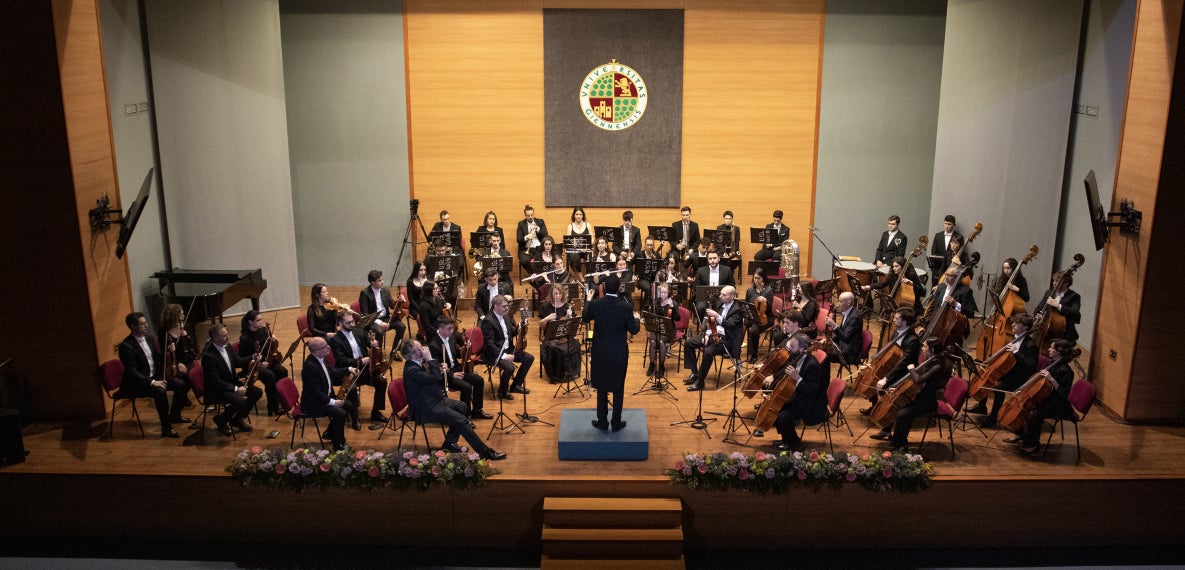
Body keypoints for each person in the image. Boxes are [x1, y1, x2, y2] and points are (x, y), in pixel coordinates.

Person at [401, 340, 506, 460]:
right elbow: (435, 379)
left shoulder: (417, 363)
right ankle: (485, 452)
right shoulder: (412, 370)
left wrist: (438, 368)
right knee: (462, 421)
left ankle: (449, 443)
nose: (424, 349)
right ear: (412, 354)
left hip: (434, 400)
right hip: (426, 407)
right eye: (420, 348)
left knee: (462, 406)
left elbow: (431, 379)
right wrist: (430, 359)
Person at [869, 338, 953, 449]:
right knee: (901, 412)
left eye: (925, 347)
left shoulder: (937, 365)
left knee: (902, 414)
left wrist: (912, 369)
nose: (922, 349)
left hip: (927, 402)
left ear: (931, 350)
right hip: (919, 397)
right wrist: (900, 390)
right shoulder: (931, 361)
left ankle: (901, 444)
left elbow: (919, 380)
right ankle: (897, 441)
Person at [583, 275, 641, 431]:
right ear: (619, 288)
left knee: (601, 387)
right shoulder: (626, 307)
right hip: (618, 352)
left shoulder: (595, 304)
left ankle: (602, 421)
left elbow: (584, 318)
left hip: (600, 351)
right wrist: (637, 319)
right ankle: (616, 422)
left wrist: (588, 300)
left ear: (604, 287)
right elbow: (634, 330)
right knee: (618, 387)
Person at [117, 312, 179, 438]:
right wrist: (152, 382)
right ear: (133, 327)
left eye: (146, 322)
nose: (146, 325)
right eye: (142, 323)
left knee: (181, 384)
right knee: (160, 391)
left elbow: (155, 358)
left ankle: (174, 415)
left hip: (153, 377)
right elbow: (132, 371)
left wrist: (167, 351)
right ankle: (166, 429)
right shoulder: (126, 346)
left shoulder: (149, 339)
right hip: (137, 383)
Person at [1012, 339, 1078, 455]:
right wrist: (1023, 390)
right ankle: (1024, 436)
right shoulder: (1051, 363)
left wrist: (1051, 379)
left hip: (1058, 404)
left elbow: (1063, 394)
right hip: (1045, 398)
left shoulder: (1067, 371)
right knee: (1023, 409)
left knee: (1033, 415)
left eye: (1052, 348)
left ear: (1059, 352)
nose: (1049, 349)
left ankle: (1032, 446)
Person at [974, 313, 1040, 427]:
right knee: (989, 377)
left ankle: (993, 419)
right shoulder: (1014, 339)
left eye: (1017, 323)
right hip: (1010, 372)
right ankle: (981, 406)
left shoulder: (1031, 345)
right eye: (1013, 322)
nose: (1013, 324)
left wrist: (1016, 353)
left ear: (1025, 327)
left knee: (998, 386)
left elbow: (1031, 365)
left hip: (1020, 378)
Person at [765, 332, 827, 450]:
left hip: (812, 403)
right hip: (801, 396)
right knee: (777, 407)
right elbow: (785, 369)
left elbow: (812, 390)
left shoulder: (811, 365)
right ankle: (787, 438)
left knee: (783, 416)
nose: (790, 349)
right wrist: (773, 376)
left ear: (802, 349)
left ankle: (792, 443)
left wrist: (797, 378)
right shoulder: (797, 357)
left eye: (793, 346)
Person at [329, 312, 389, 430]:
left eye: (352, 321)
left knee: (381, 381)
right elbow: (342, 361)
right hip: (348, 371)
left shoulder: (359, 332)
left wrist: (373, 344)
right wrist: (361, 360)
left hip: (364, 368)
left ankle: (375, 413)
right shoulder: (336, 340)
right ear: (340, 324)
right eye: (348, 322)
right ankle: (354, 418)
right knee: (351, 388)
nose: (352, 324)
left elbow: (369, 344)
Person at [201, 324, 263, 437]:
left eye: (227, 334)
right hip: (218, 389)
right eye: (224, 335)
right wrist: (235, 389)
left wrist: (252, 357)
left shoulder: (227, 346)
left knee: (257, 392)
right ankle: (221, 420)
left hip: (231, 383)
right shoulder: (208, 356)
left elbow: (237, 362)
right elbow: (215, 381)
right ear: (215, 338)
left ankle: (237, 419)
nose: (228, 337)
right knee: (240, 401)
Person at [427, 316, 490, 419]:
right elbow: (435, 368)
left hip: (456, 369)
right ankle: (465, 416)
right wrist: (452, 375)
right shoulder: (433, 345)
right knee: (466, 387)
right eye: (449, 329)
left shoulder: (451, 337)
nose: (452, 331)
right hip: (445, 376)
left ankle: (477, 411)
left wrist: (466, 347)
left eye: (452, 328)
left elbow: (458, 355)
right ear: (440, 329)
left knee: (479, 380)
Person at [300, 337, 356, 451]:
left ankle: (330, 433)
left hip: (325, 397)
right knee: (340, 414)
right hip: (314, 403)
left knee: (349, 406)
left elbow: (333, 372)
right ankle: (339, 445)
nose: (329, 348)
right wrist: (334, 402)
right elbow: (315, 393)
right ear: (316, 351)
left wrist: (349, 369)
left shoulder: (321, 359)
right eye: (325, 346)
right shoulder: (310, 367)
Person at [861, 308, 920, 415]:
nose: (893, 320)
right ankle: (874, 407)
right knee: (875, 379)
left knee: (880, 383)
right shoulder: (897, 332)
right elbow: (889, 350)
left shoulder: (913, 340)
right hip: (892, 364)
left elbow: (904, 362)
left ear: (904, 322)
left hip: (904, 371)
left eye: (897, 318)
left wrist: (886, 378)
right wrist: (873, 362)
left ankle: (881, 412)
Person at [684, 285, 743, 391]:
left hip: (727, 340)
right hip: (713, 334)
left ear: (732, 297)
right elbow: (713, 323)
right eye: (720, 293)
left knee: (708, 352)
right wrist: (707, 333)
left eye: (724, 295)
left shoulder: (737, 310)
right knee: (688, 344)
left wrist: (717, 316)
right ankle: (695, 373)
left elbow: (728, 325)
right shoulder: (721, 304)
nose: (720, 296)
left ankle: (700, 382)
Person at [480, 294, 535, 400]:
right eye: (504, 306)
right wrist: (504, 356)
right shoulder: (488, 321)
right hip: (494, 353)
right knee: (510, 367)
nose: (507, 308)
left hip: (508, 349)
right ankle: (502, 392)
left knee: (529, 358)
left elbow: (511, 333)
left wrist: (521, 325)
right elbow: (489, 344)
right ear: (496, 307)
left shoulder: (505, 316)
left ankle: (515, 386)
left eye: (507, 305)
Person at [238, 309, 287, 416]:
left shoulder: (263, 331)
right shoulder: (245, 338)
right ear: (250, 322)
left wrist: (272, 339)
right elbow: (241, 359)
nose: (261, 322)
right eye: (258, 320)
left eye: (261, 320)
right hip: (252, 367)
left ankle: (279, 400)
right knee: (270, 376)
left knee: (282, 371)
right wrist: (257, 363)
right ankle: (272, 407)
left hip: (266, 361)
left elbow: (268, 348)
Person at [156, 304, 194, 423]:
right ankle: (176, 413)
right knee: (183, 381)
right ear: (174, 316)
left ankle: (181, 399)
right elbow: (163, 354)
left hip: (186, 360)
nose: (183, 315)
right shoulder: (164, 331)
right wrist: (176, 363)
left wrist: (186, 336)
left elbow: (192, 348)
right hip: (171, 364)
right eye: (181, 313)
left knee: (192, 375)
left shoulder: (185, 326)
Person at [538, 282, 582, 383]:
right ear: (551, 294)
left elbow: (572, 325)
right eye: (555, 294)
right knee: (554, 347)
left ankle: (570, 372)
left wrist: (570, 316)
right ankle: (556, 375)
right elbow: (540, 324)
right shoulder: (545, 306)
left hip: (565, 337)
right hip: (550, 337)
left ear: (563, 294)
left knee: (575, 345)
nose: (557, 296)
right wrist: (547, 318)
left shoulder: (567, 306)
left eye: (559, 294)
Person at [646, 282, 685, 379]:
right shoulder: (656, 302)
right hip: (657, 329)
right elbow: (650, 315)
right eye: (661, 292)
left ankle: (662, 366)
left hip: (668, 330)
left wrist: (672, 307)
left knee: (661, 342)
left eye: (665, 292)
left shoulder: (673, 303)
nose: (663, 294)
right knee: (653, 341)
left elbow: (677, 319)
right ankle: (652, 364)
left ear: (669, 293)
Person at [358, 269, 407, 344]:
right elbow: (365, 314)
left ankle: (394, 352)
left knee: (402, 326)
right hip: (374, 321)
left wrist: (399, 301)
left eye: (382, 279)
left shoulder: (385, 290)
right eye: (379, 281)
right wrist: (379, 323)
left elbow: (392, 306)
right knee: (379, 331)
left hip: (387, 318)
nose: (382, 282)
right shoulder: (365, 293)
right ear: (372, 282)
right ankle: (378, 353)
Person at [1035, 270, 1082, 342]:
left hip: (1064, 332)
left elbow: (1075, 314)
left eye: (1057, 281)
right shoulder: (1049, 292)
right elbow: (1039, 308)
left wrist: (1058, 305)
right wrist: (1037, 314)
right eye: (1054, 280)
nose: (1054, 283)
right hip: (1045, 328)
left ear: (1066, 283)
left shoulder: (1074, 296)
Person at [691, 250, 735, 316]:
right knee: (700, 308)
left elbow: (732, 285)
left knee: (721, 307)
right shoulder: (701, 271)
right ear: (707, 259)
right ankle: (703, 325)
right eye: (710, 258)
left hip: (722, 297)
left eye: (714, 258)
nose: (712, 260)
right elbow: (695, 287)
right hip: (704, 298)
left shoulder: (727, 270)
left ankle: (719, 324)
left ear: (719, 258)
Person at [745, 268, 776, 363]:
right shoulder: (750, 290)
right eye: (755, 278)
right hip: (753, 316)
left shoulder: (768, 291)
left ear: (763, 279)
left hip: (766, 317)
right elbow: (746, 304)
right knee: (740, 322)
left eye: (759, 278)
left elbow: (770, 308)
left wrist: (766, 301)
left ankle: (754, 355)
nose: (756, 280)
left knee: (754, 330)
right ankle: (734, 350)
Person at [826, 292, 863, 370]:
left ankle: (825, 380)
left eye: (841, 301)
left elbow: (845, 337)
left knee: (825, 354)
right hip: (844, 345)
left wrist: (834, 325)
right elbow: (842, 333)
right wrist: (828, 340)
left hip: (850, 352)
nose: (838, 304)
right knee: (824, 347)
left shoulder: (854, 318)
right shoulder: (847, 312)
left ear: (849, 303)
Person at [515, 204, 548, 274]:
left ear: (533, 214)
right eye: (528, 215)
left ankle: (538, 275)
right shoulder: (521, 224)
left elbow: (546, 235)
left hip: (539, 248)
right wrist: (527, 237)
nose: (530, 217)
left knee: (543, 260)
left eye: (532, 215)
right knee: (524, 260)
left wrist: (538, 229)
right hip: (525, 249)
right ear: (525, 215)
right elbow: (519, 239)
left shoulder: (540, 222)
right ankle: (534, 274)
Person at [671, 205, 701, 270]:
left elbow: (697, 240)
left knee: (694, 257)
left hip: (690, 249)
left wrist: (692, 249)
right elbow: (671, 239)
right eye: (683, 215)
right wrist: (676, 245)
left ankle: (695, 276)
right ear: (681, 215)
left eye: (687, 215)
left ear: (690, 214)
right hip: (678, 249)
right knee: (672, 256)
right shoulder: (675, 225)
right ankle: (676, 274)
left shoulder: (695, 225)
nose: (685, 217)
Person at [565, 207, 591, 273]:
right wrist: (579, 248)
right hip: (575, 250)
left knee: (591, 255)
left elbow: (592, 239)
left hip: (586, 250)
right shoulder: (570, 226)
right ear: (574, 215)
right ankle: (581, 279)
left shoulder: (588, 225)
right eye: (577, 214)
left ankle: (589, 277)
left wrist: (586, 248)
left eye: (580, 214)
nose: (579, 216)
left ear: (583, 215)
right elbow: (568, 242)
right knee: (574, 257)